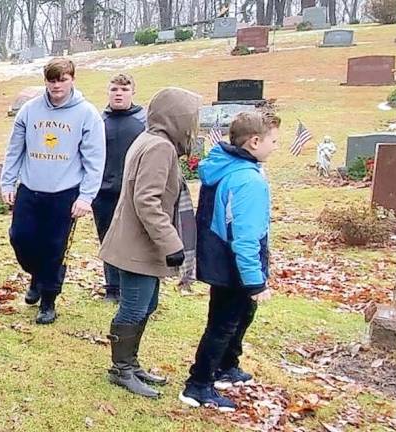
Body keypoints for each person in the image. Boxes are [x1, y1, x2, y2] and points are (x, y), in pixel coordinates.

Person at [99, 87, 201, 398]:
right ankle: (121, 369)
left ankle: (130, 362)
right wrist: (173, 244)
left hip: (137, 241)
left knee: (147, 304)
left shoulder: (150, 139)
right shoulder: (160, 147)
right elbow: (147, 200)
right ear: (177, 118)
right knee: (133, 308)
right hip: (138, 245)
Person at [179, 111, 280, 412]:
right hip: (234, 262)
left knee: (239, 314)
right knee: (223, 324)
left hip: (220, 256)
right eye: (273, 141)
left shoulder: (228, 166)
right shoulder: (247, 179)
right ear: (254, 142)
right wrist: (255, 280)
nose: (276, 147)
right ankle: (198, 385)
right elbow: (246, 236)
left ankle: (226, 366)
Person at [0, 57, 105, 325]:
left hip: (64, 193)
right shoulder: (29, 110)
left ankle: (48, 300)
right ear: (45, 81)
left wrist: (86, 196)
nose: (56, 85)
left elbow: (95, 159)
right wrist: (7, 182)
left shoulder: (87, 114)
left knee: (54, 248)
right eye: (51, 80)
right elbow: (15, 149)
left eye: (62, 79)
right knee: (19, 238)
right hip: (30, 189)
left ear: (72, 79)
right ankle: (36, 275)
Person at [93, 73, 146, 303]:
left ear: (133, 92)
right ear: (108, 91)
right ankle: (112, 288)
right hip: (103, 193)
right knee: (108, 241)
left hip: (132, 193)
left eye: (124, 90)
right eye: (114, 89)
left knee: (131, 241)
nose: (119, 94)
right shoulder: (98, 122)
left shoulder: (143, 123)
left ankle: (131, 288)